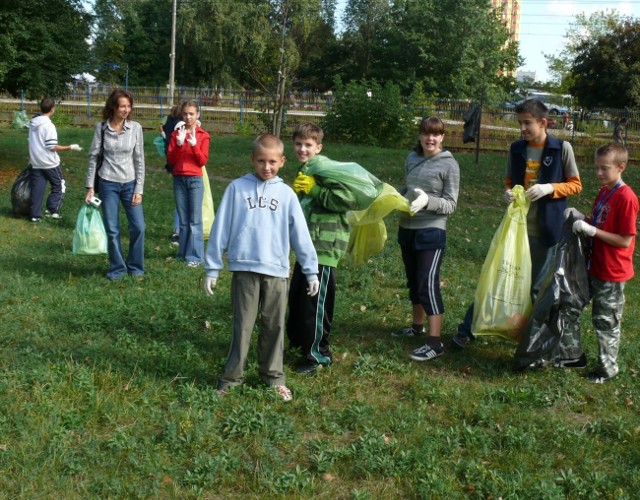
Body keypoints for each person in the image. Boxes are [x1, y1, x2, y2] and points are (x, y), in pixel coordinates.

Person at [453, 99, 582, 349]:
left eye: (527, 123)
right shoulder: (516, 149)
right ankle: (468, 329)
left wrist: (550, 188)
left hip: (545, 230)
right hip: (516, 229)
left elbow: (576, 184)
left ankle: (524, 335)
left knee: (532, 287)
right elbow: (510, 180)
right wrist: (508, 192)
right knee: (496, 278)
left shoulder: (561, 148)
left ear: (543, 123)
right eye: (520, 123)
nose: (522, 128)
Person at [204, 134, 319, 401]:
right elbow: (220, 228)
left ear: (282, 161)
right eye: (261, 161)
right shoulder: (236, 188)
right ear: (252, 159)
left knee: (274, 325)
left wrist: (310, 269)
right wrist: (213, 267)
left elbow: (300, 234)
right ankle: (231, 377)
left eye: (272, 162)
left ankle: (273, 376)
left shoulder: (287, 194)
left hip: (277, 271)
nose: (266, 167)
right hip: (244, 269)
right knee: (242, 326)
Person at [562, 142, 638, 382]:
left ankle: (607, 369)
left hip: (612, 272)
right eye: (596, 168)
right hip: (592, 266)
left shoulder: (626, 198)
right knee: (569, 306)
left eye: (604, 168)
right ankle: (572, 355)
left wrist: (592, 231)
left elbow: (625, 240)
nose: (598, 173)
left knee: (605, 322)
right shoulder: (605, 191)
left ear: (621, 167)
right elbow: (598, 223)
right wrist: (581, 218)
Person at [391, 117, 460, 362]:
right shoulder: (412, 158)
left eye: (436, 134)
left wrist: (428, 202)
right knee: (413, 281)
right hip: (406, 228)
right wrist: (393, 197)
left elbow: (451, 204)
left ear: (442, 137)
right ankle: (417, 326)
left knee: (426, 284)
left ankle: (435, 342)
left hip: (431, 230)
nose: (430, 139)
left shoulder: (449, 164)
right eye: (426, 134)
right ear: (420, 135)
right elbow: (407, 189)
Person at [286, 123, 350, 373]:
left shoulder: (326, 170)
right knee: (299, 298)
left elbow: (345, 200)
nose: (302, 149)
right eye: (298, 144)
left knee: (316, 303)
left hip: (324, 247)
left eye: (308, 145)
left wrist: (315, 190)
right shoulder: (307, 168)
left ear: (319, 147)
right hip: (306, 247)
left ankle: (319, 354)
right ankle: (301, 343)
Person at [84, 89, 145, 281]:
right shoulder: (101, 128)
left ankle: (135, 266)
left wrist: (139, 189)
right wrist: (90, 187)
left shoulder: (136, 128)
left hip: (130, 183)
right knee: (112, 228)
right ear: (113, 107)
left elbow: (140, 160)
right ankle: (117, 268)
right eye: (122, 106)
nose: (126, 110)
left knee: (139, 227)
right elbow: (93, 158)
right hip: (107, 183)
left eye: (129, 106)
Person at [167, 100, 210, 267]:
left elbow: (202, 161)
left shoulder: (203, 135)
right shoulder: (176, 134)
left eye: (191, 114)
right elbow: (171, 159)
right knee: (183, 220)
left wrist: (193, 146)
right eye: (185, 114)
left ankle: (196, 257)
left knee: (195, 220)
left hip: (195, 180)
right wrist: (178, 144)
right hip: (179, 178)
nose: (188, 117)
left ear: (197, 114)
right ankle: (182, 253)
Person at [28, 98, 82, 222]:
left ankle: (35, 215)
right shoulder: (49, 125)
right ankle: (52, 211)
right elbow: (52, 147)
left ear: (41, 108)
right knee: (59, 184)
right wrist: (70, 147)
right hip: (49, 162)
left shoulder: (33, 123)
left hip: (36, 161)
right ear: (52, 109)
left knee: (38, 187)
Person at [160, 105, 182, 245]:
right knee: (181, 200)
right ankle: (178, 231)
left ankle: (179, 230)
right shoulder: (179, 125)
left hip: (171, 156)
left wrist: (163, 135)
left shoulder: (168, 119)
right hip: (177, 162)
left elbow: (160, 126)